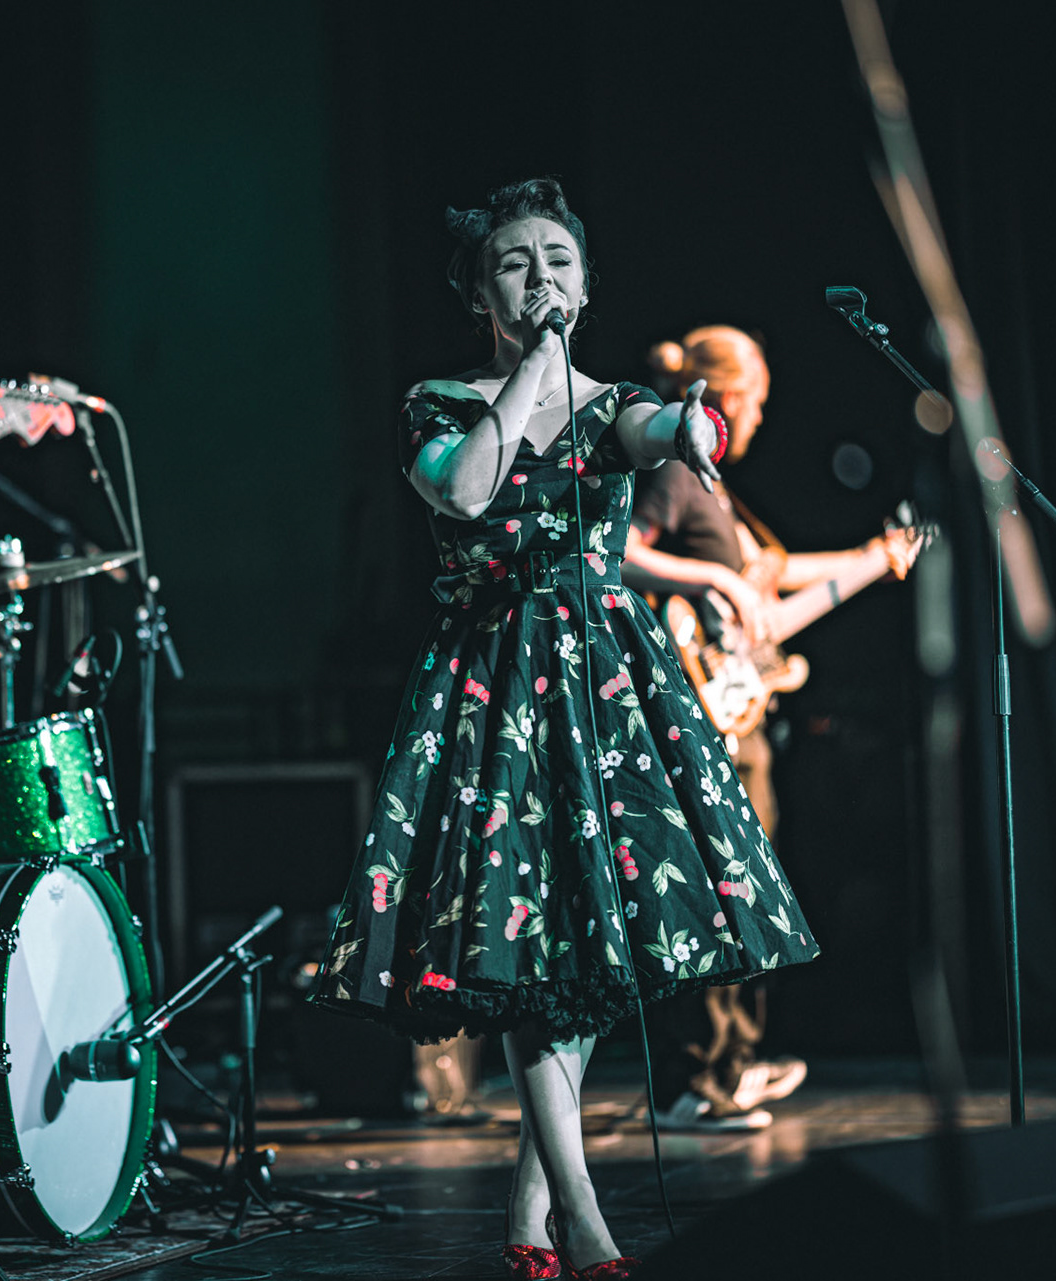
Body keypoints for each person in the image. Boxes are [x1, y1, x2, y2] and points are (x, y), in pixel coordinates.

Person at [309, 180, 820, 1281]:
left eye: (558, 259)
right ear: (480, 290)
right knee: (524, 948)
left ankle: (531, 1208)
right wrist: (536, 372)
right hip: (491, 688)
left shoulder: (614, 401)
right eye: (514, 262)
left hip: (603, 687)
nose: (540, 277)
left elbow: (653, 432)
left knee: (587, 951)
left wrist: (690, 424)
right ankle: (584, 1225)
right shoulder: (439, 402)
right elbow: (469, 494)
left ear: (586, 283)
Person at [623, 325, 915, 1129]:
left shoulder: (719, 492)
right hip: (701, 716)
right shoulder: (676, 476)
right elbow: (613, 553)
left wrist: (871, 556)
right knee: (716, 890)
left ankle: (729, 1066)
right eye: (754, 406)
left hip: (739, 718)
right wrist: (715, 576)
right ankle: (696, 1080)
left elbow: (774, 580)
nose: (756, 425)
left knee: (750, 888)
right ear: (723, 399)